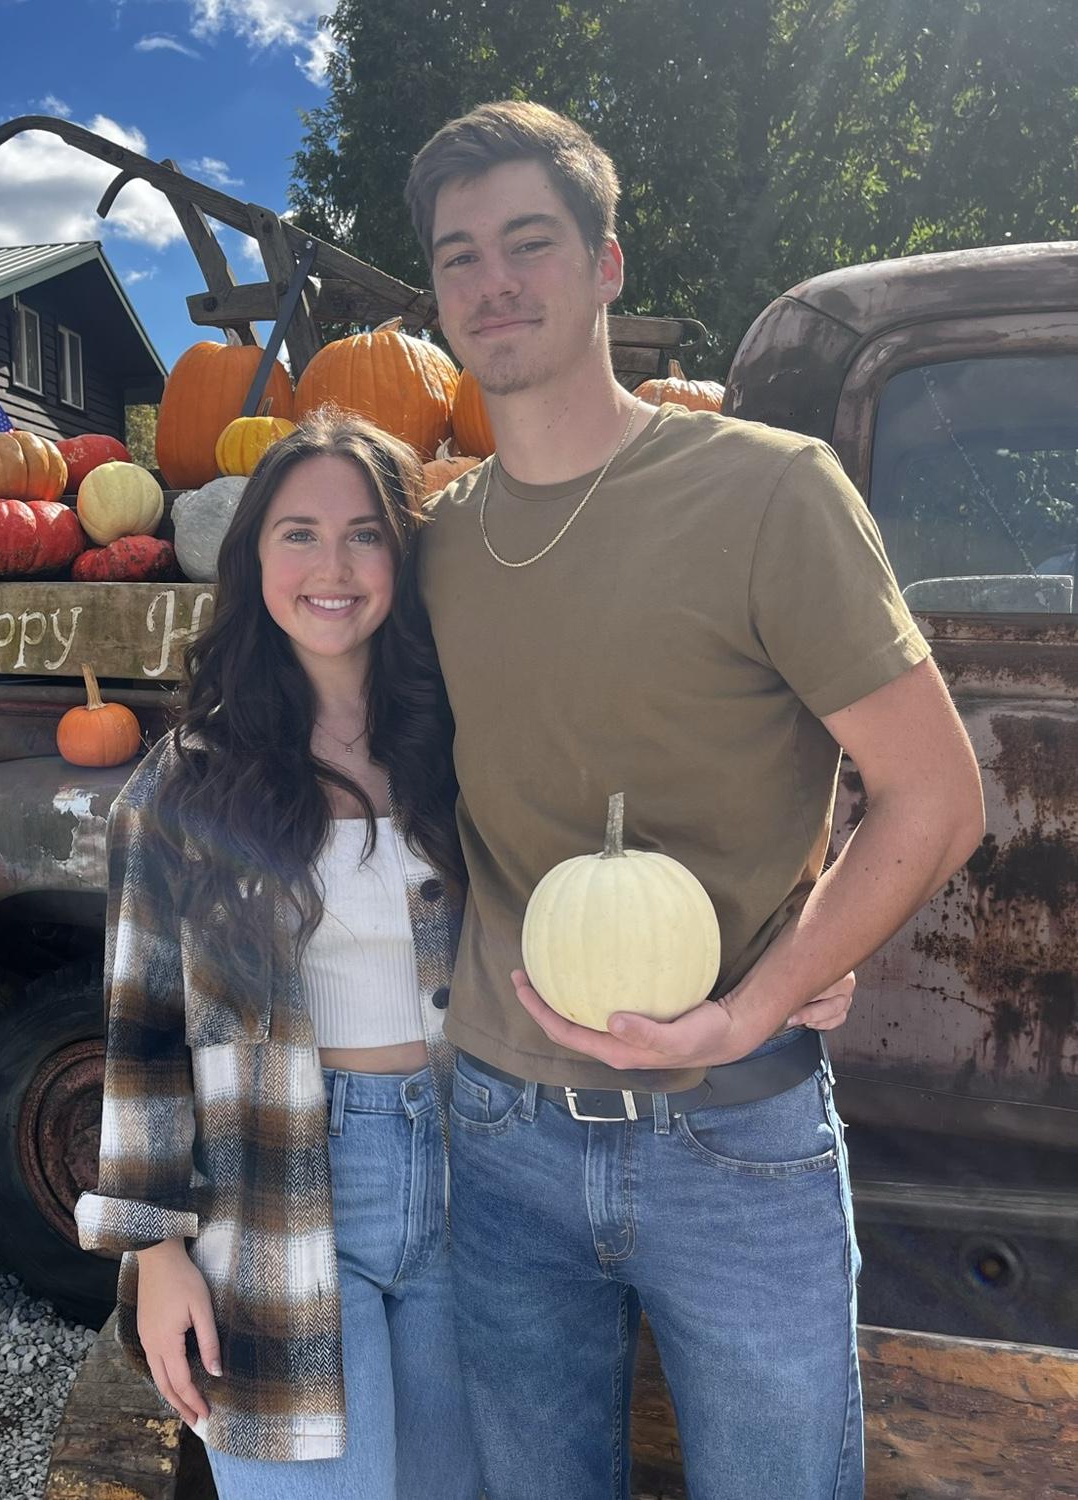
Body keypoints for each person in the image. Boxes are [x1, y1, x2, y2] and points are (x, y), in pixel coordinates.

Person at [404, 101, 986, 1499]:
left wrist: (770, 994)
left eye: (531, 242)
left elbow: (934, 797)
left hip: (737, 1132)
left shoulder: (769, 494)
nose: (494, 281)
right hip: (499, 1136)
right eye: (460, 255)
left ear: (607, 265)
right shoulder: (435, 548)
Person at [74, 411, 480, 1498]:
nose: (331, 568)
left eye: (365, 535)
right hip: (281, 1189)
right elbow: (143, 1028)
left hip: (479, 1183)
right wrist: (157, 1252)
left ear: (403, 557)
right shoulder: (190, 781)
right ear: (254, 560)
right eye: (299, 534)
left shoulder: (465, 750)